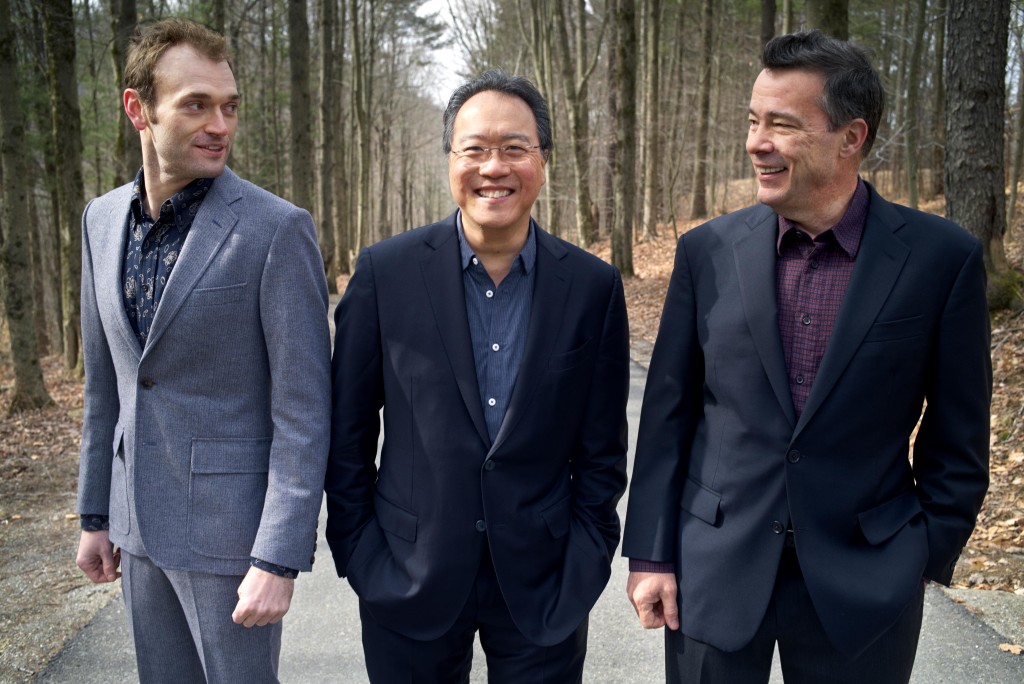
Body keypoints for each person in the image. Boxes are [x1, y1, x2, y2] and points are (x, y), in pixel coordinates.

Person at [623, 30, 991, 683]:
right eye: (753, 120)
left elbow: (958, 434)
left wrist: (923, 555)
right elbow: (667, 420)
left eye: (781, 125)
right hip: (715, 569)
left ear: (851, 137)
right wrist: (651, 554)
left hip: (865, 580)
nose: (755, 142)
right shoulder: (706, 252)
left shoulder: (941, 258)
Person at [325, 69, 629, 683]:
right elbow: (347, 433)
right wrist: (361, 554)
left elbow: (602, 451)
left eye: (515, 148)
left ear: (543, 161)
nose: (495, 167)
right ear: (450, 161)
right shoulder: (387, 274)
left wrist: (585, 561)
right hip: (407, 579)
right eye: (475, 149)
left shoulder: (592, 287)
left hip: (544, 588)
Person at [75, 18, 330, 683]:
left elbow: (303, 410)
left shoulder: (276, 230)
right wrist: (95, 515)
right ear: (139, 108)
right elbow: (107, 388)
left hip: (230, 542)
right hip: (136, 526)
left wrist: (278, 557)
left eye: (229, 106)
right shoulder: (100, 222)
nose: (220, 123)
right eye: (196, 104)